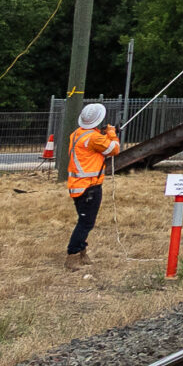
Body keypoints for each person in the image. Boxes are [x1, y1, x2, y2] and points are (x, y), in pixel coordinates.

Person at [65, 103, 121, 269]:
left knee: (84, 220)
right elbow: (114, 149)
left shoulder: (77, 134)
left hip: (78, 185)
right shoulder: (94, 138)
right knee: (86, 223)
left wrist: (103, 134)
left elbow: (92, 147)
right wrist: (112, 134)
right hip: (89, 186)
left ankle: (81, 252)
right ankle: (73, 254)